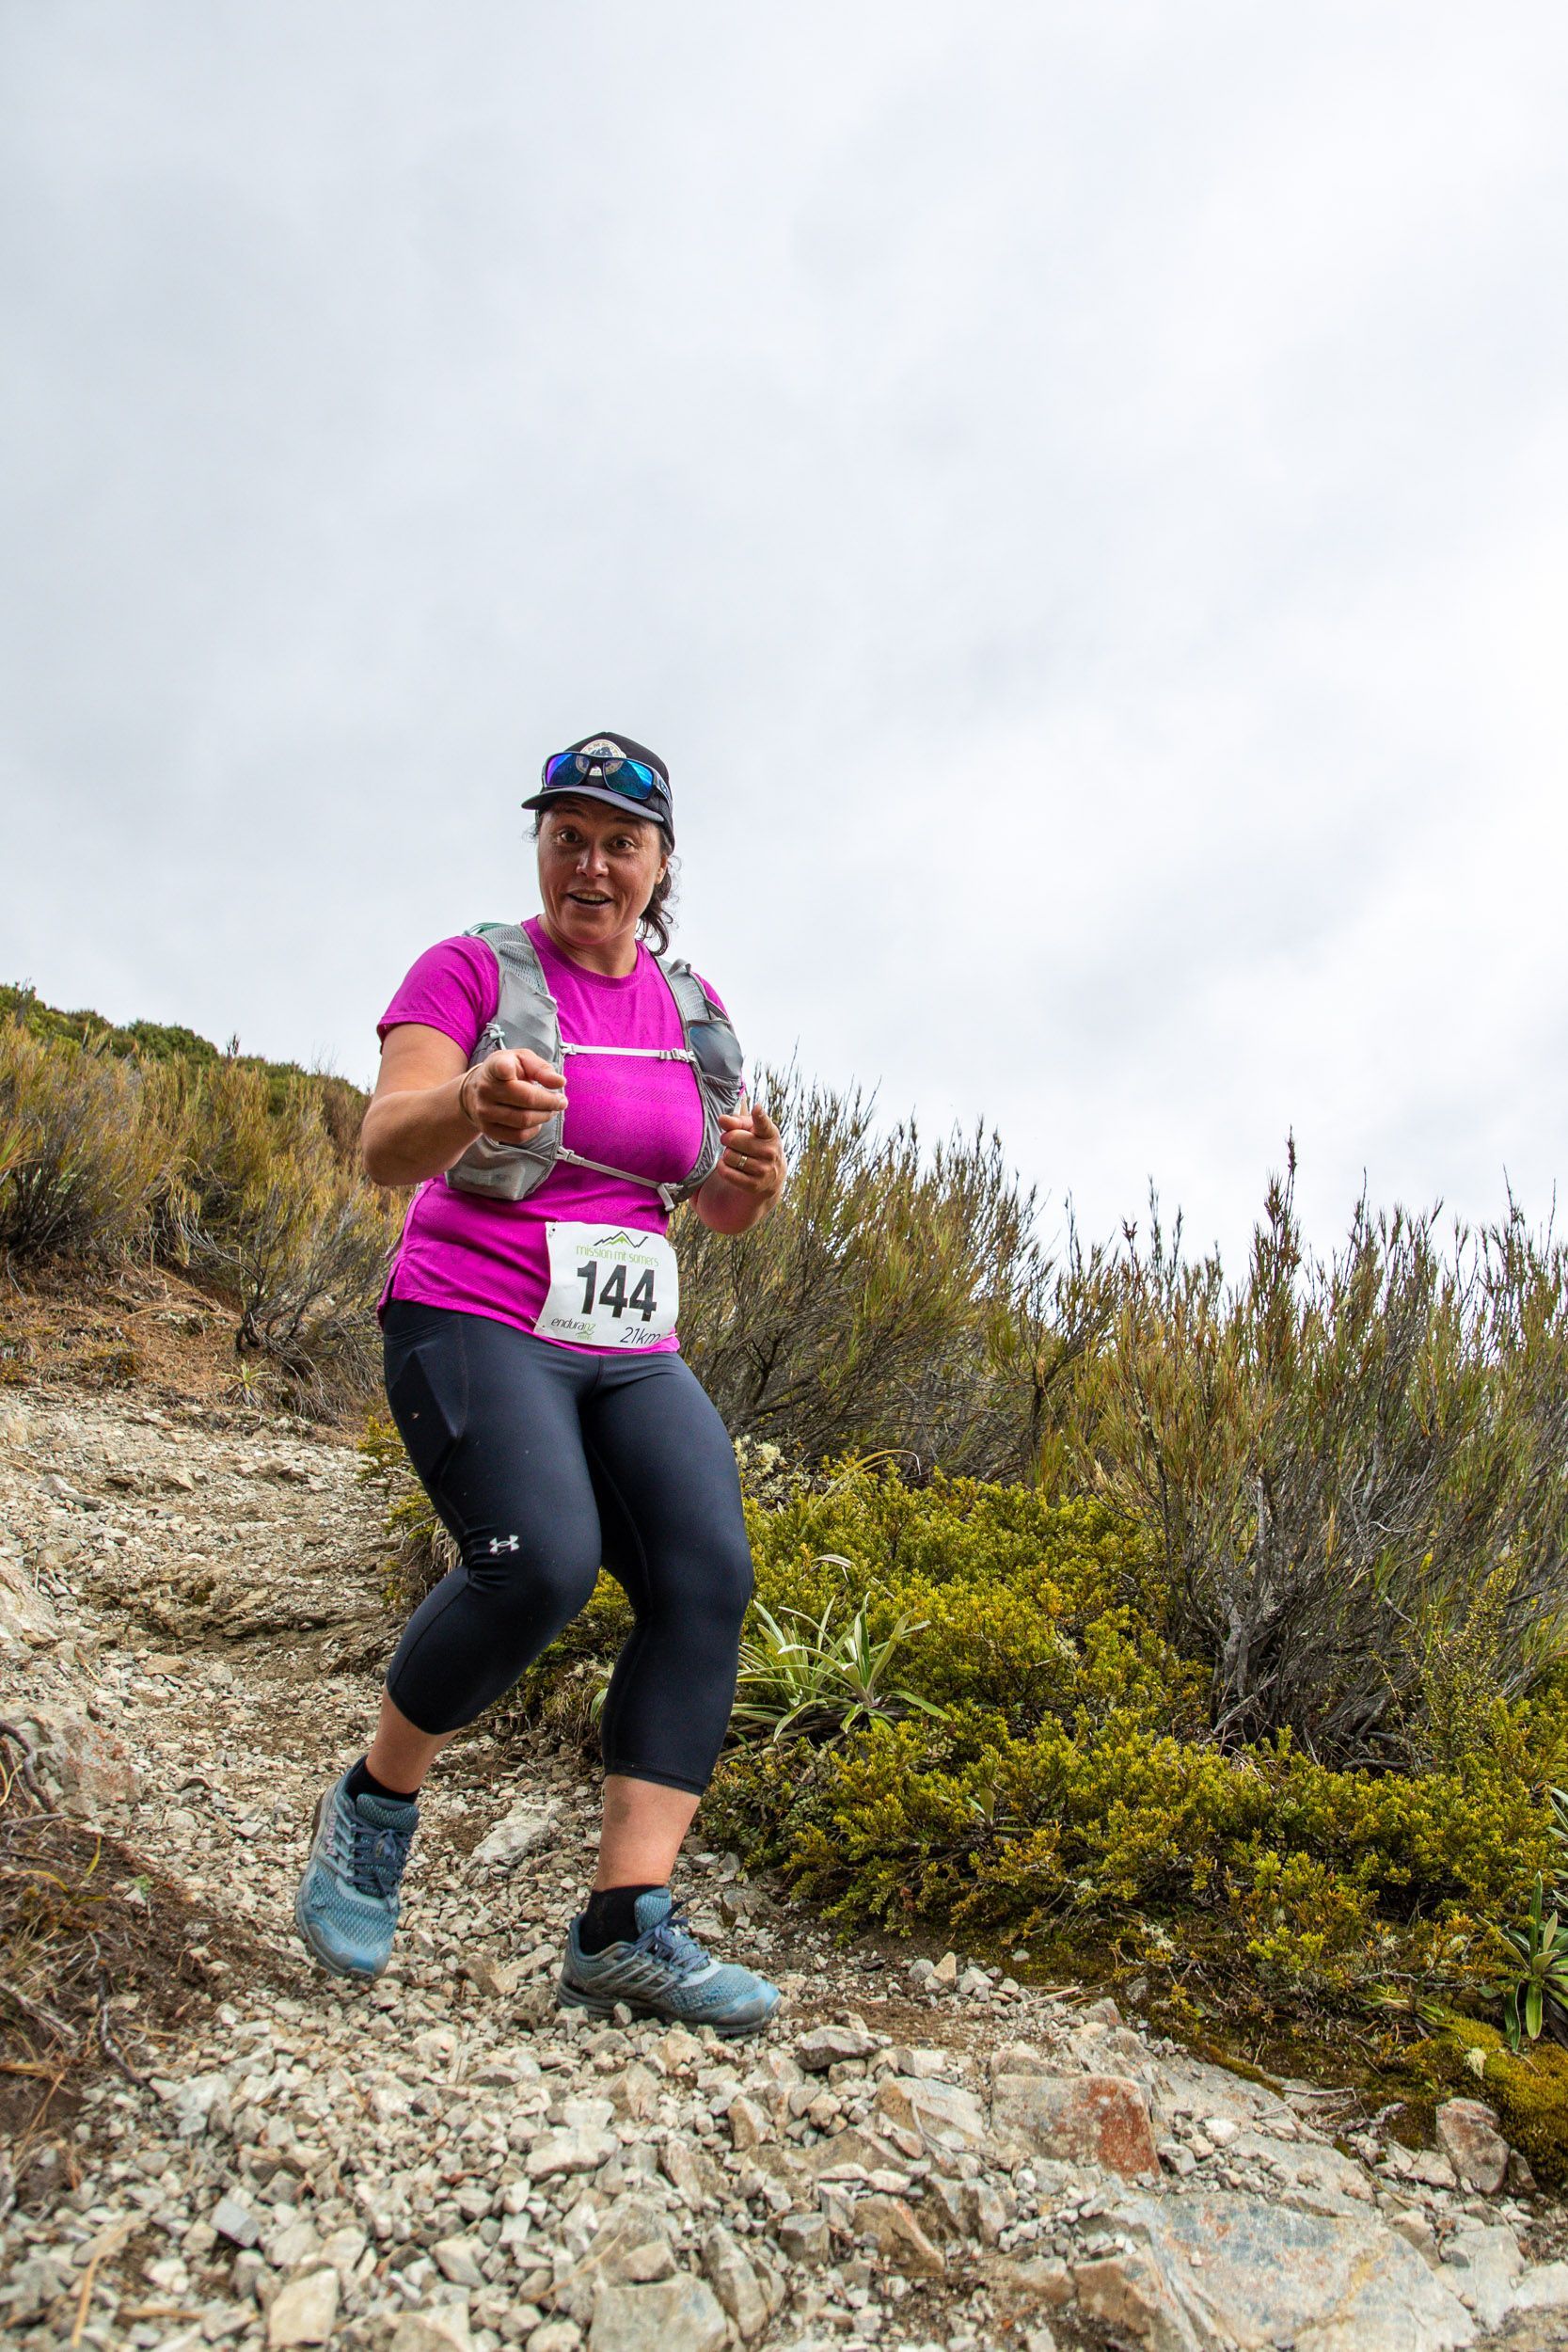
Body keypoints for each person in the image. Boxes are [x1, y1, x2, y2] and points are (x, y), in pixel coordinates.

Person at [294, 733, 787, 2033]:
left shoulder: (695, 1015)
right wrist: (471, 1101)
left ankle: (626, 1927)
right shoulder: (470, 970)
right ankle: (376, 1804)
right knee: (541, 1562)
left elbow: (708, 1202)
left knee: (706, 1576)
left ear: (661, 864)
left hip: (627, 1344)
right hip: (471, 1312)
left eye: (621, 842)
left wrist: (745, 1185)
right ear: (540, 848)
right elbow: (382, 1147)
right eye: (567, 834)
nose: (591, 862)